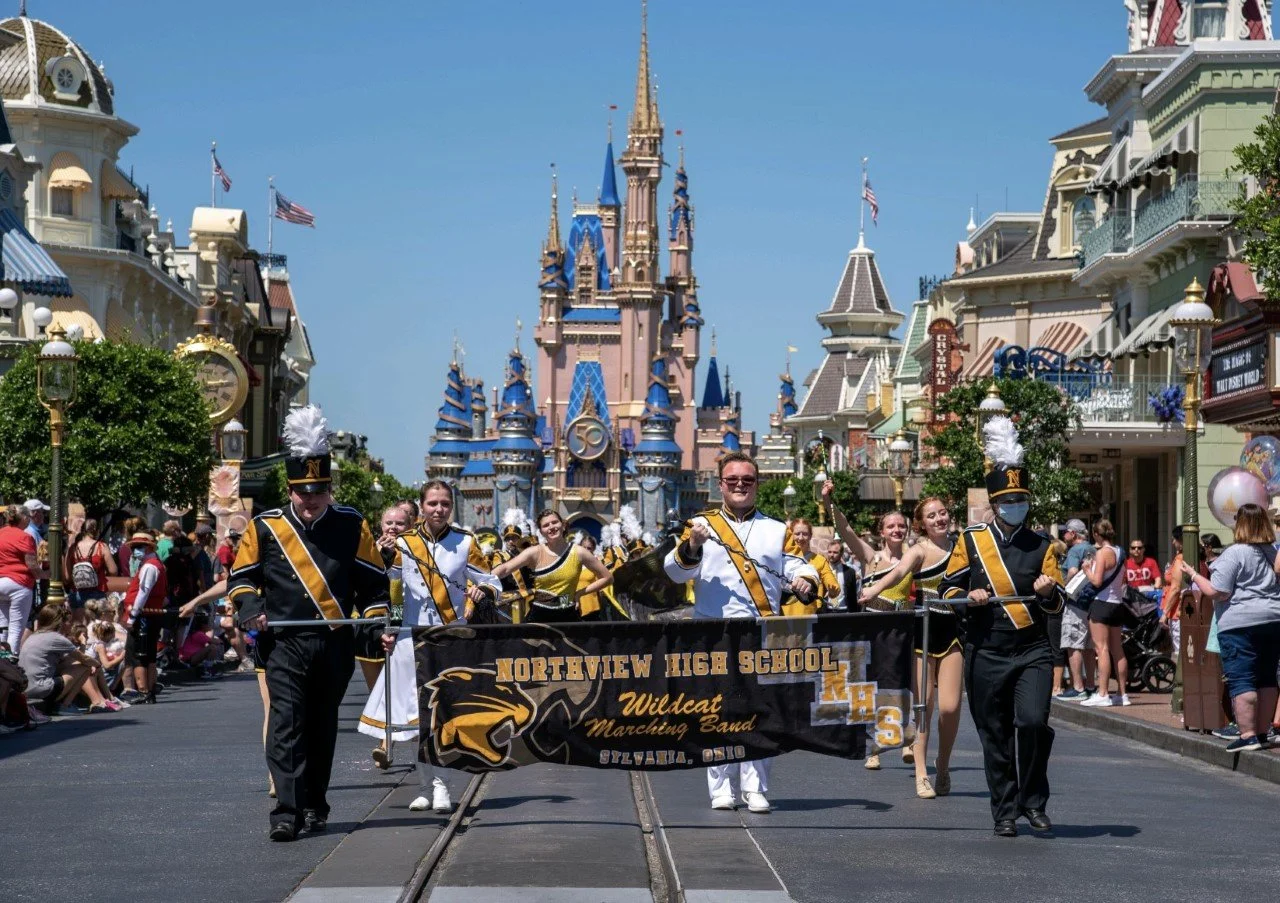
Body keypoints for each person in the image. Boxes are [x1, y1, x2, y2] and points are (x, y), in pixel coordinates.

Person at [230, 405, 390, 842]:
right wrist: (249, 610)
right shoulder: (265, 528)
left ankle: (316, 803)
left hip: (333, 642)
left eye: (320, 489)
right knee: (285, 724)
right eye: (304, 490)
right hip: (284, 643)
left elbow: (374, 589)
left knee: (321, 727)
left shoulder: (351, 524)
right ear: (290, 488)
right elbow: (241, 580)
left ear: (329, 487)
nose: (312, 497)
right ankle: (286, 809)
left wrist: (377, 626)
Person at [663, 451, 818, 814]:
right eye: (732, 480)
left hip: (763, 631)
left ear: (756, 485)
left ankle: (756, 787)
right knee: (716, 710)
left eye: (747, 480)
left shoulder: (777, 529)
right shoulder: (699, 524)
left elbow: (803, 567)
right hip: (712, 633)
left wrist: (804, 580)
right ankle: (720, 787)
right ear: (721, 485)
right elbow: (674, 572)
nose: (739, 486)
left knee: (760, 711)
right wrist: (693, 545)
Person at [939, 416, 1064, 838]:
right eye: (1009, 499)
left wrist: (1047, 592)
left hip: (1031, 649)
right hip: (985, 648)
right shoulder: (970, 541)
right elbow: (947, 590)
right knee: (994, 733)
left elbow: (1059, 600)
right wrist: (967, 598)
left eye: (1021, 499)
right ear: (996, 503)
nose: (1017, 505)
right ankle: (1005, 811)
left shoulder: (1044, 545)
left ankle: (1034, 801)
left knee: (1031, 723)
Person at [358, 480, 500, 813]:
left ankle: (442, 786)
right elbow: (394, 590)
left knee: (446, 714)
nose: (438, 509)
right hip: (410, 637)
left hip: (450, 638)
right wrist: (390, 628)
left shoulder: (466, 542)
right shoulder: (405, 543)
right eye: (433, 503)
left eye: (445, 504)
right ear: (422, 506)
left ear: (452, 507)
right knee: (414, 716)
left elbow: (492, 581)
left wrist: (484, 593)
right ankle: (424, 785)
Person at [859, 496, 963, 800]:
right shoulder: (919, 550)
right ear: (922, 523)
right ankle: (921, 774)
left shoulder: (962, 547)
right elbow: (898, 572)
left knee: (951, 707)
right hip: (923, 633)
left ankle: (942, 764)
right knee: (924, 707)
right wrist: (874, 589)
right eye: (932, 516)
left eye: (943, 512)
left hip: (953, 633)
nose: (939, 519)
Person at [823, 482, 911, 770]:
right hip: (874, 625)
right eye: (891, 526)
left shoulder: (914, 558)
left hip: (903, 626)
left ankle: (902, 738)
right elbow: (845, 529)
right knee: (872, 686)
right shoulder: (871, 557)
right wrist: (828, 500)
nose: (897, 530)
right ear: (881, 531)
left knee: (903, 686)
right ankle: (872, 745)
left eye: (901, 525)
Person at [1180, 503, 1280, 752]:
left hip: (1239, 623)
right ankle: (1262, 732)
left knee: (1242, 678)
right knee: (1267, 677)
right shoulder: (1272, 551)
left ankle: (1247, 735)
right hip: (1273, 620)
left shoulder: (1235, 553)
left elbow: (1218, 591)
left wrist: (1193, 575)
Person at [492, 510, 613, 622]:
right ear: (541, 531)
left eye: (554, 522)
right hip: (539, 616)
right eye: (546, 525)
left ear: (563, 525)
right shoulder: (534, 552)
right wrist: (480, 582)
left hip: (567, 613)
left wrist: (579, 593)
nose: (551, 527)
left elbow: (607, 578)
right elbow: (505, 569)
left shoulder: (579, 552)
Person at [19, 604, 121, 714]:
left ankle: (102, 699)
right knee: (86, 667)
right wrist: (97, 665)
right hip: (41, 689)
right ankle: (65, 705)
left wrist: (83, 648)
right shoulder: (56, 638)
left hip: (26, 689)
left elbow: (69, 661)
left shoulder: (33, 636)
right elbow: (84, 659)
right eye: (67, 621)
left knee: (81, 665)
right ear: (59, 622)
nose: (69, 624)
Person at [358, 505, 412, 695]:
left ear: (410, 525)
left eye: (400, 523)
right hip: (375, 617)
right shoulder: (369, 549)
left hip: (403, 614)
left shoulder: (416, 551)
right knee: (378, 691)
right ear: (381, 525)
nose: (393, 528)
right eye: (389, 523)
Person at [1081, 519, 1130, 707]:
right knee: (1118, 649)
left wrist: (1087, 569)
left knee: (1101, 649)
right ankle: (1122, 693)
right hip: (1117, 604)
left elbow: (1096, 581)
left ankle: (1102, 693)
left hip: (1101, 603)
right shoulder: (1120, 552)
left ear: (1096, 535)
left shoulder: (1101, 554)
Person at [123, 531, 167, 704]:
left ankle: (144, 691)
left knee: (138, 654)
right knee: (148, 654)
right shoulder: (154, 564)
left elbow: (143, 592)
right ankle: (149, 690)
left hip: (143, 615)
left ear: (148, 547)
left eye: (138, 547)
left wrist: (132, 616)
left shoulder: (149, 566)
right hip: (150, 614)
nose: (135, 550)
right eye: (133, 547)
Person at [1057, 518, 1096, 700]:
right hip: (1091, 603)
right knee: (1089, 646)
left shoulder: (1074, 550)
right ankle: (1090, 685)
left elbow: (1072, 571)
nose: (1063, 535)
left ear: (1073, 533)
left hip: (1076, 602)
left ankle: (1078, 686)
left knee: (1073, 644)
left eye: (1065, 531)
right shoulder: (1092, 549)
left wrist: (1062, 585)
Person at [0, 505, 40, 654]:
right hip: (18, 584)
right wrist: (46, 574)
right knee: (16, 629)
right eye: (28, 517)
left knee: (2, 626)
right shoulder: (25, 537)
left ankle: (2, 662)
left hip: (1, 581)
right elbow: (32, 566)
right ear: (23, 518)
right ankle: (12, 664)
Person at [64, 518, 117, 623]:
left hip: (77, 593)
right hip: (97, 594)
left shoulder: (73, 548)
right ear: (97, 531)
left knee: (77, 628)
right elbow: (113, 570)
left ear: (82, 530)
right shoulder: (101, 547)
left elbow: (67, 577)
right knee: (97, 628)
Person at [787, 519, 840, 614]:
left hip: (810, 616)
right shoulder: (783, 559)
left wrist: (833, 591)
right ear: (791, 535)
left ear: (811, 535)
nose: (801, 537)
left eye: (805, 534)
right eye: (797, 534)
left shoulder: (820, 560)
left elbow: (832, 584)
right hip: (783, 616)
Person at [1160, 526, 1187, 663]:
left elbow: (1176, 588)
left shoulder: (1180, 559)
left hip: (1177, 610)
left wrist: (1165, 613)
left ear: (1180, 541)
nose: (1172, 543)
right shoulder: (1181, 557)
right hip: (1176, 609)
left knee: (1179, 647)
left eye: (1174, 540)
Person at [824, 539, 860, 611]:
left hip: (844, 611)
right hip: (826, 611)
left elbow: (853, 595)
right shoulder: (822, 570)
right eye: (829, 552)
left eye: (835, 552)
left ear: (841, 553)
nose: (832, 555)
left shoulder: (850, 572)